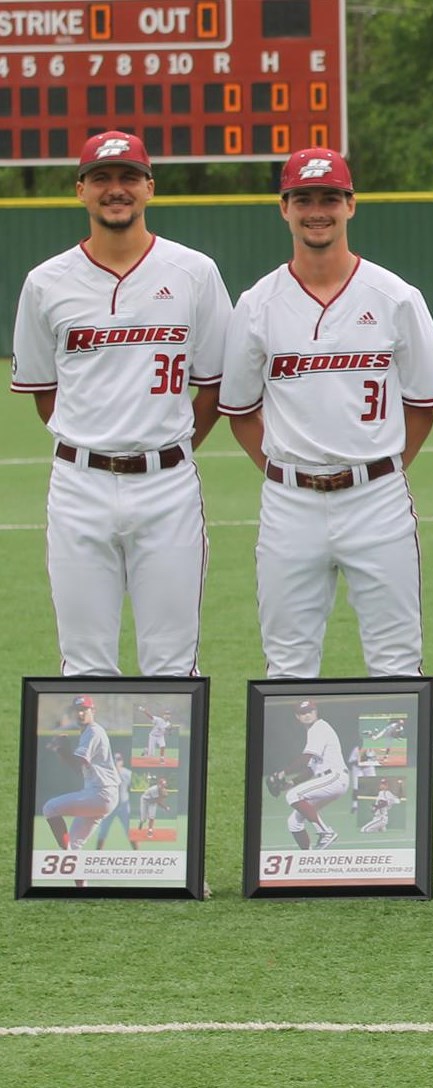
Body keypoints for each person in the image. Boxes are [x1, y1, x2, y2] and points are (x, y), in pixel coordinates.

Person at [10, 131, 232, 677]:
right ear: (80, 190)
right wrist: (95, 440)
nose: (116, 189)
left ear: (149, 187)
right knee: (84, 664)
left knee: (172, 664)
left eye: (129, 177)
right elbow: (44, 392)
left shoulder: (194, 272)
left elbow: (214, 388)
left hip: (168, 485)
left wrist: (168, 445)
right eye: (102, 179)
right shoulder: (45, 282)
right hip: (79, 484)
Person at [219, 148, 433, 679]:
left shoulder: (396, 297)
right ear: (284, 208)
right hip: (289, 502)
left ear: (350, 205)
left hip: (377, 498)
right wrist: (286, 471)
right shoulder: (257, 303)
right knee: (287, 663)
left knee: (397, 661)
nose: (316, 211)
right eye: (304, 199)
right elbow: (241, 412)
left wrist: (381, 469)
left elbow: (422, 407)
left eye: (329, 198)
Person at [41, 696, 119, 852]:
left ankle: (66, 854)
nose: (80, 714)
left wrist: (63, 750)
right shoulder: (87, 732)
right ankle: (70, 857)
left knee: (50, 808)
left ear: (93, 711)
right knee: (75, 845)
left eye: (84, 709)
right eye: (77, 710)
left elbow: (77, 762)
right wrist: (62, 751)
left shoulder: (93, 731)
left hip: (101, 793)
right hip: (99, 794)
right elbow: (78, 769)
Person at [274, 699, 350, 850]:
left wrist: (283, 772)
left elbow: (305, 758)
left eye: (310, 711)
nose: (307, 715)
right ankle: (308, 857)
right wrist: (290, 783)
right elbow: (310, 770)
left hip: (335, 777)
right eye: (303, 713)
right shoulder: (313, 732)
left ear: (316, 712)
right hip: (329, 780)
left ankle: (325, 832)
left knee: (293, 795)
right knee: (294, 823)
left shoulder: (319, 728)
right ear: (297, 717)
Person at [92, 753, 133, 850]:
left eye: (118, 759)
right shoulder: (105, 774)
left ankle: (138, 855)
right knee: (103, 832)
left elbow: (136, 787)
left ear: (122, 761)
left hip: (123, 807)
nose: (116, 762)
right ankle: (97, 856)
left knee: (130, 832)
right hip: (109, 807)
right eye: (114, 760)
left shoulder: (128, 773)